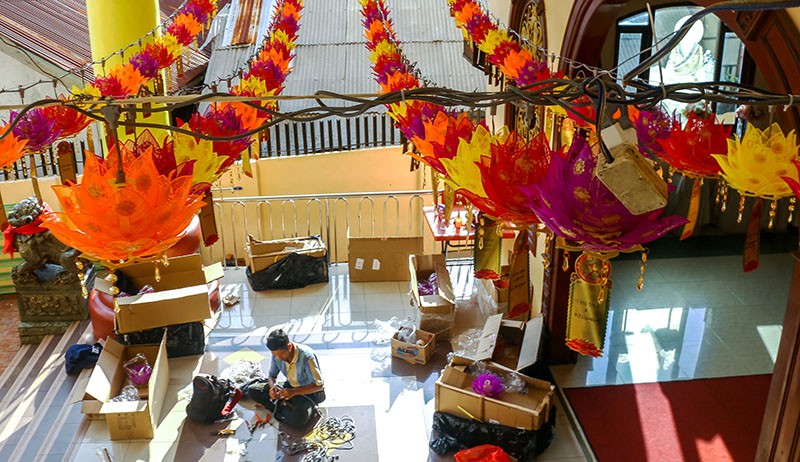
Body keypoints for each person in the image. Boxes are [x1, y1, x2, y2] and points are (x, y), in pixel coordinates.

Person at [262, 328, 326, 427]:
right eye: (275, 355)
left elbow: (319, 386)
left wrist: (294, 392)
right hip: (290, 386)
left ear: (289, 346)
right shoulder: (277, 355)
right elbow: (271, 376)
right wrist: (273, 387)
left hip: (308, 392)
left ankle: (280, 405)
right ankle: (284, 405)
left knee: (298, 419)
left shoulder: (307, 357)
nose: (279, 358)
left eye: (281, 354)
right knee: (253, 390)